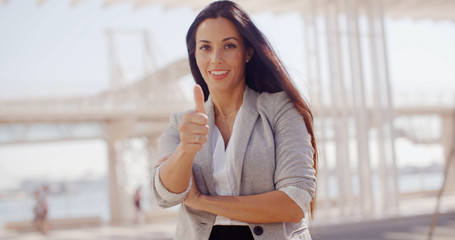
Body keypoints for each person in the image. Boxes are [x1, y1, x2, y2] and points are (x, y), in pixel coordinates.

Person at [151, 1, 318, 239]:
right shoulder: (182, 124)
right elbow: (165, 195)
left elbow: (294, 202)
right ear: (195, 54)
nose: (216, 59)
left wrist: (203, 201)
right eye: (205, 48)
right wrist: (186, 150)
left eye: (229, 46)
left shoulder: (281, 109)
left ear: (247, 52)